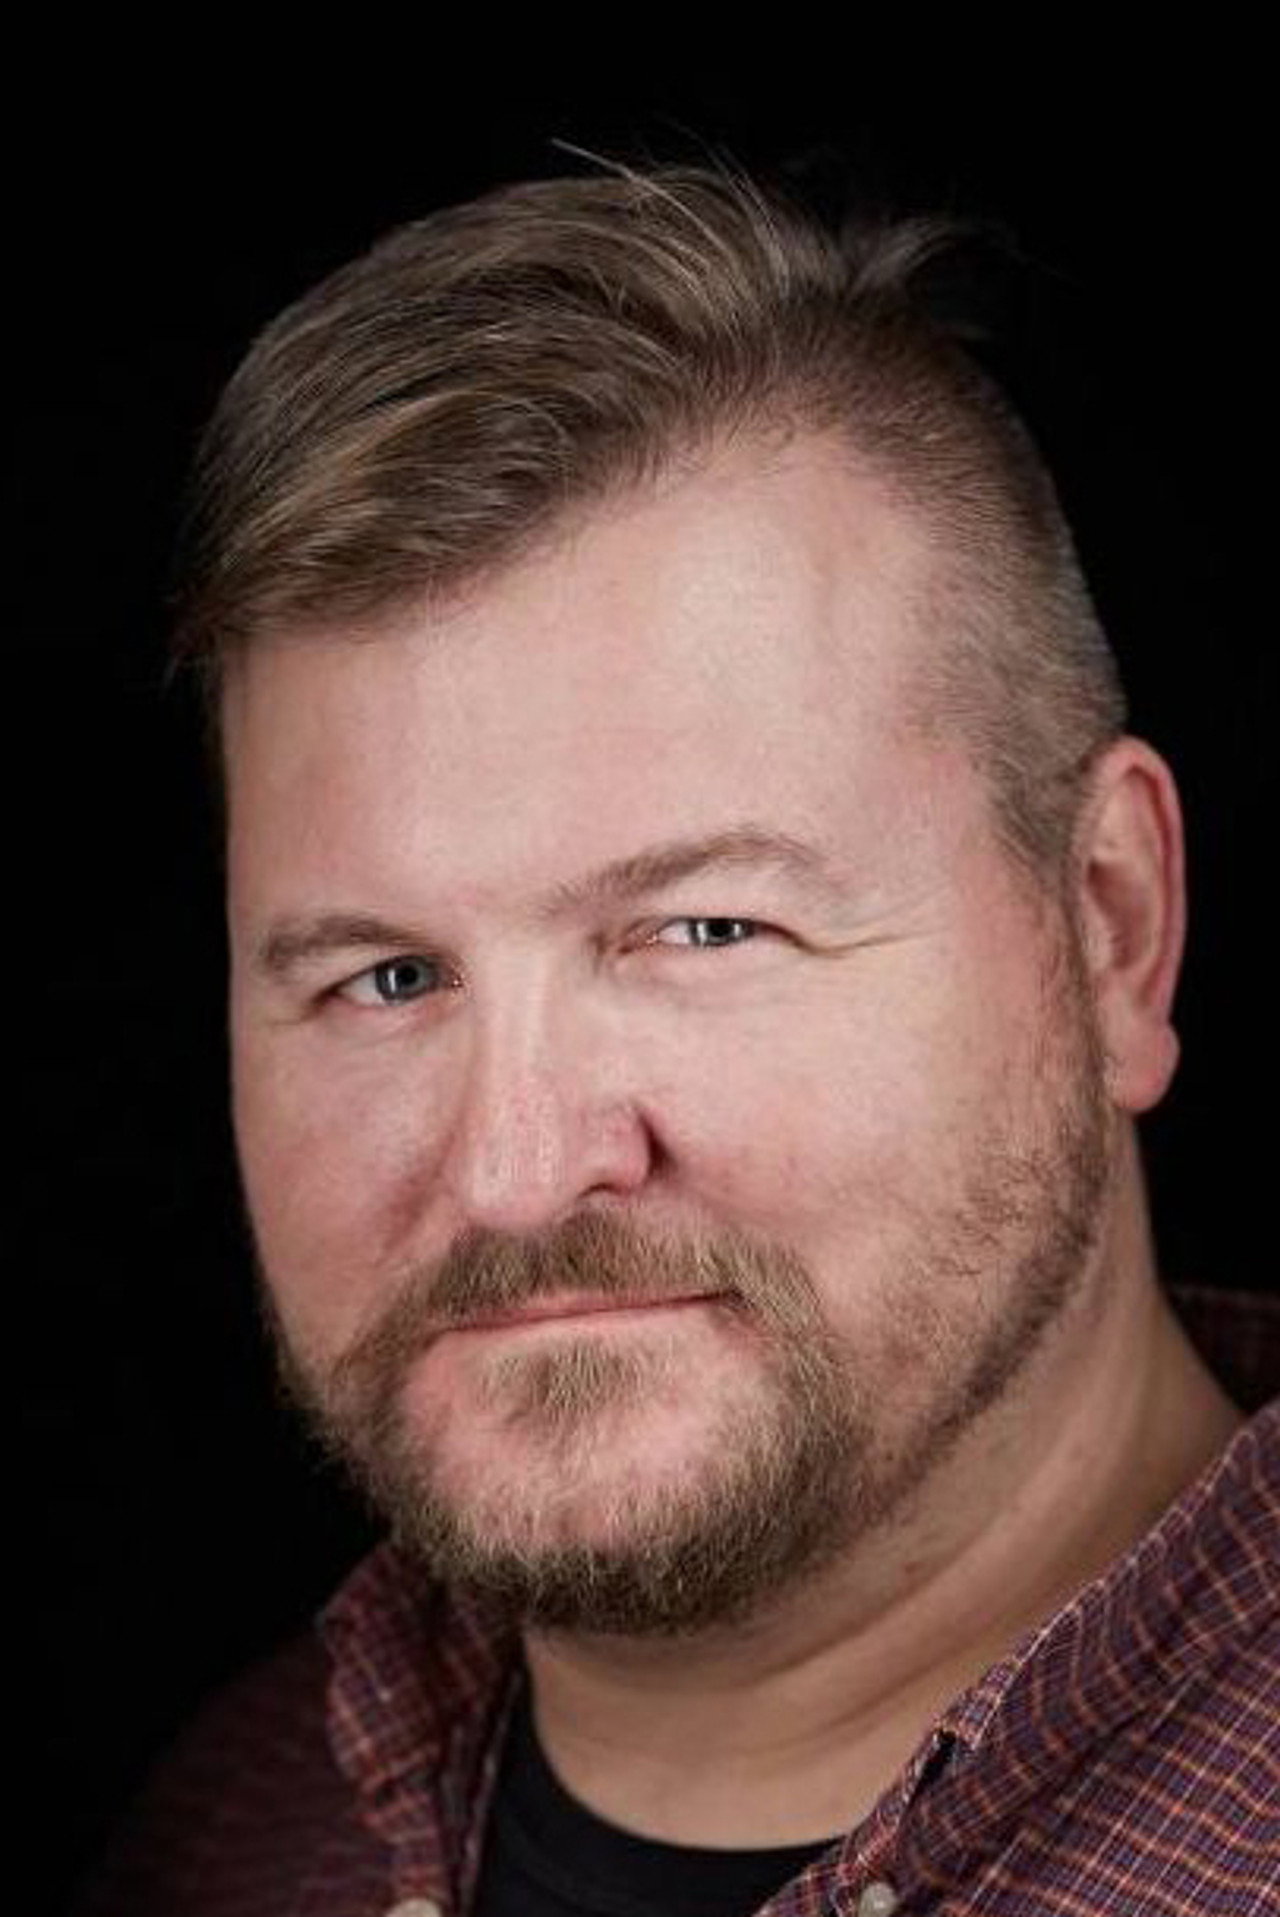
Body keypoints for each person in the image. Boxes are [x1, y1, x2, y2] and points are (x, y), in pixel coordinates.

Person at [84, 164, 1277, 1916]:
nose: (517, 1168)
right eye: (388, 978)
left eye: (704, 930)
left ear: (1110, 926)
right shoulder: (237, 1836)